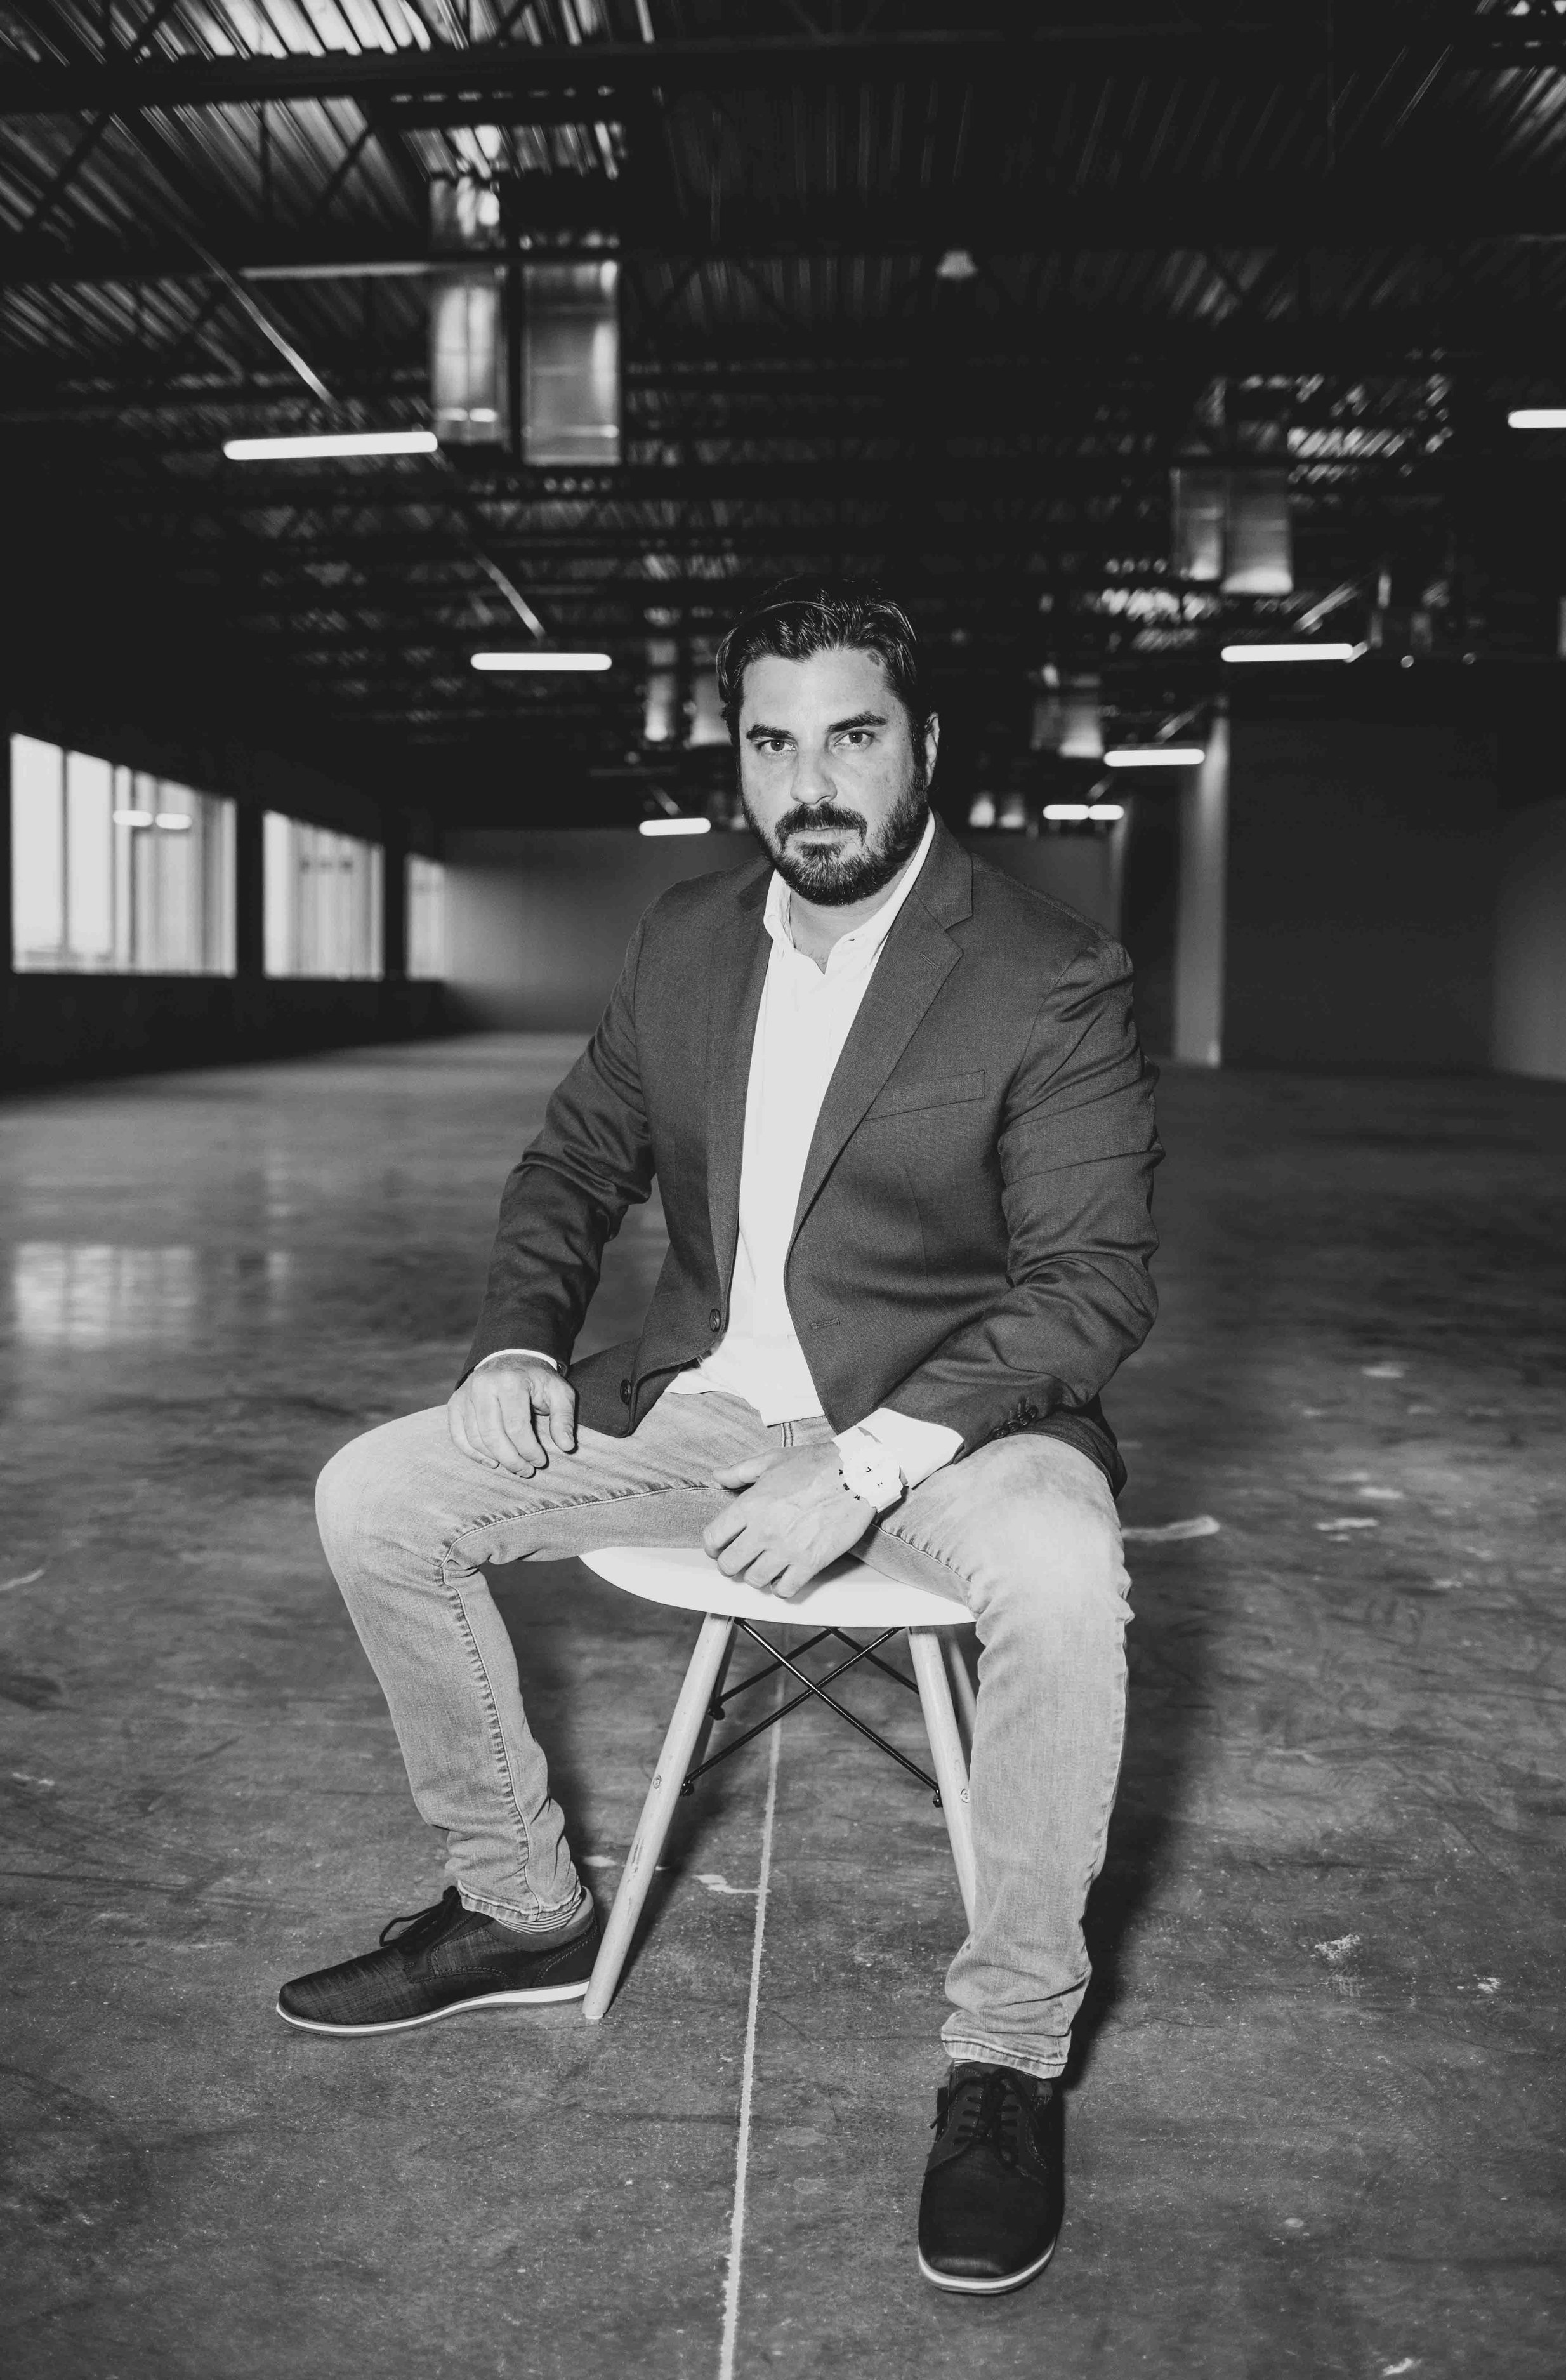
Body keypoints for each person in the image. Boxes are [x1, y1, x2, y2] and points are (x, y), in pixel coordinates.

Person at [285, 579, 1161, 2297]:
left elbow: (1089, 1288)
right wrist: (516, 1337)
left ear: (923, 750)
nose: (809, 782)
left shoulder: (1045, 974)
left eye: (850, 736)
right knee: (376, 1495)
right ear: (738, 761)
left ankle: (1005, 2059)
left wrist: (869, 1460)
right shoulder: (691, 937)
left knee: (1063, 1579)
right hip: (702, 1405)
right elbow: (572, 1162)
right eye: (773, 742)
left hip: (960, 1422)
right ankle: (521, 1907)